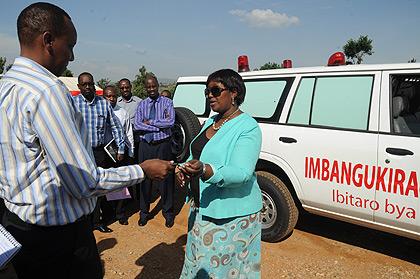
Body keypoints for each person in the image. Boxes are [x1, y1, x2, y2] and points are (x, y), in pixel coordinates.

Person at [0, 3, 173, 279]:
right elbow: (85, 182)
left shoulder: (6, 85)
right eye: (70, 45)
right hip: (56, 237)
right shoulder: (47, 92)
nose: (72, 55)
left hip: (16, 225)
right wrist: (143, 170)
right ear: (48, 40)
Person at [176, 69, 262, 278]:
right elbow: (197, 152)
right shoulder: (211, 121)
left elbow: (242, 172)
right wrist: (185, 169)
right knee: (198, 264)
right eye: (207, 91)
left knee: (221, 271)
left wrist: (205, 170)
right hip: (202, 207)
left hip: (230, 216)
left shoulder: (248, 127)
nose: (209, 96)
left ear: (234, 93)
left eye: (215, 90)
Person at [74, 72, 125, 233]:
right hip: (79, 153)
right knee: (80, 187)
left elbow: (116, 127)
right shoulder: (73, 103)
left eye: (90, 83)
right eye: (84, 84)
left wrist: (121, 148)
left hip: (99, 152)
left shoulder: (104, 104)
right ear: (79, 87)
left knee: (98, 187)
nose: (88, 87)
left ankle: (96, 222)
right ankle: (82, 223)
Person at [135, 74, 176, 228]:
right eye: (148, 86)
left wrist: (150, 122)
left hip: (163, 145)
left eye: (153, 86)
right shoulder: (142, 104)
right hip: (146, 145)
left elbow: (170, 122)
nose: (151, 89)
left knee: (166, 179)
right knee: (144, 179)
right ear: (145, 87)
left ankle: (168, 213)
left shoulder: (167, 102)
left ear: (158, 85)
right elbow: (138, 125)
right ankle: (144, 213)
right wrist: (159, 125)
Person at [103, 85, 135, 225]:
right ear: (103, 97)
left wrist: (131, 151)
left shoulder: (122, 113)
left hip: (120, 154)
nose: (111, 99)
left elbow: (128, 133)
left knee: (121, 183)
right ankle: (108, 214)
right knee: (107, 183)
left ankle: (120, 213)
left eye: (113, 96)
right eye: (108, 96)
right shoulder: (98, 111)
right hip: (104, 154)